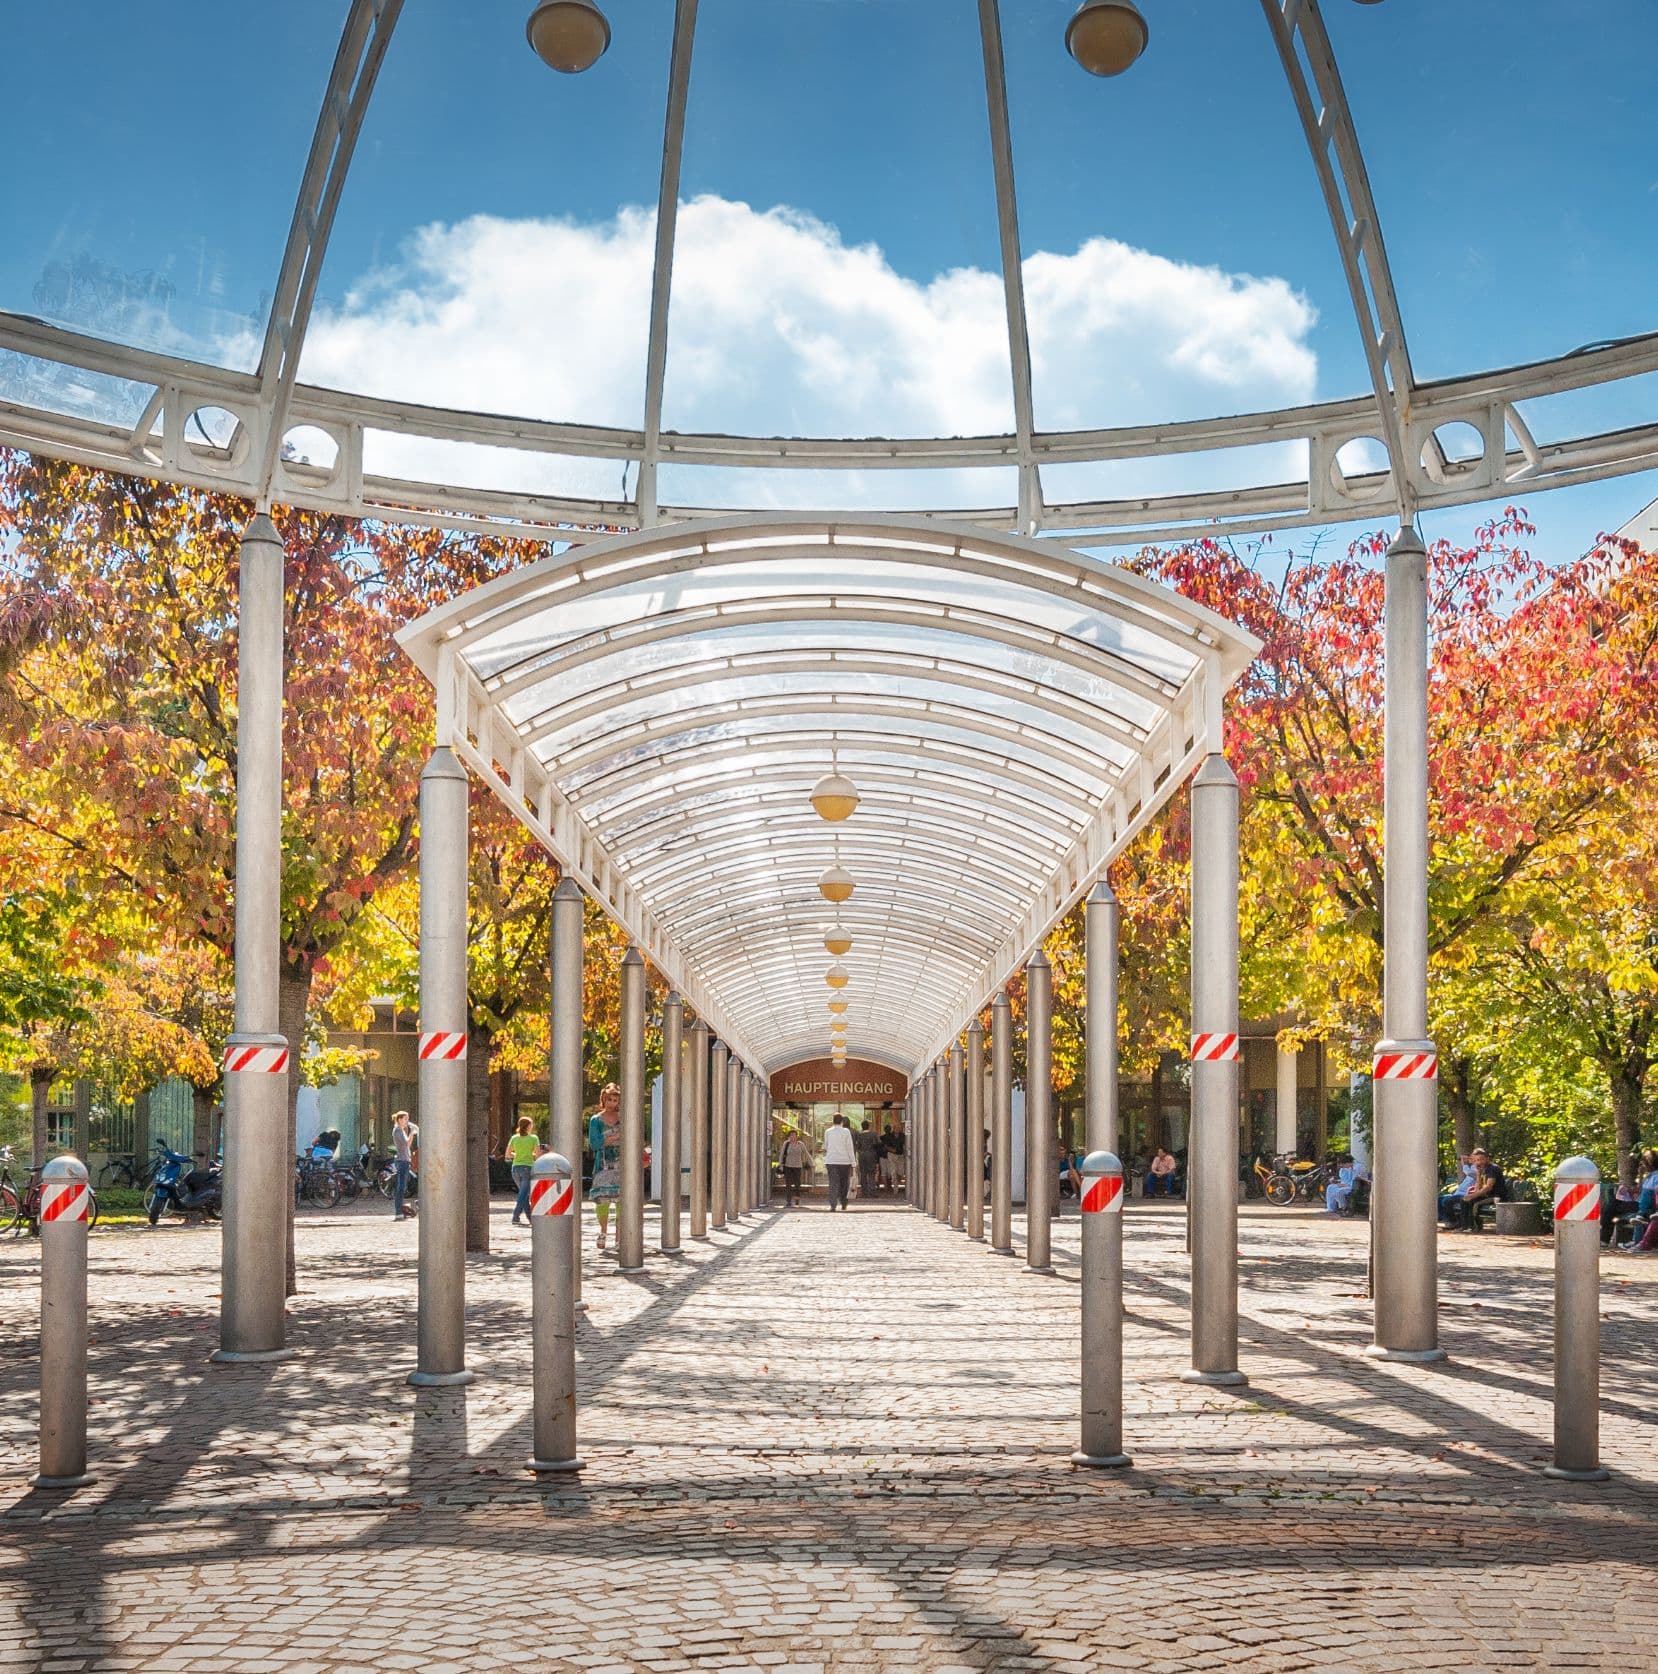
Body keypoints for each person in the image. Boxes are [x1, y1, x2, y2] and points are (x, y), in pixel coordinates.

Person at [587, 1082, 623, 1250]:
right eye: (609, 1099)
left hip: (622, 1163)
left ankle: (619, 1235)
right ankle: (603, 1231)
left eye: (615, 1099)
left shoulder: (624, 1118)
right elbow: (594, 1143)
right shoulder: (596, 1120)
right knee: (602, 1200)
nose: (612, 1103)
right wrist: (613, 1138)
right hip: (603, 1164)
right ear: (603, 1099)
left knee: (622, 1200)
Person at [1442, 1147, 1503, 1231]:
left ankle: (1470, 1226)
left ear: (1487, 1158)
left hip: (1495, 1196)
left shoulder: (1492, 1168)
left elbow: (1489, 1187)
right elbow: (1479, 1187)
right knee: (1464, 1199)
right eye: (1477, 1160)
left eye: (1481, 1159)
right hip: (1487, 1195)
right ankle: (1466, 1226)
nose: (1479, 1162)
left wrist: (1472, 1195)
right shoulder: (1483, 1169)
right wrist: (1478, 1173)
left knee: (1467, 1200)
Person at [504, 1115, 540, 1226]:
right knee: (523, 1194)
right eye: (531, 1124)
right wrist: (530, 1154)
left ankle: (530, 1218)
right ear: (528, 1126)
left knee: (523, 1194)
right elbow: (537, 1156)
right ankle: (516, 1216)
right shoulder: (534, 1138)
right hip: (527, 1168)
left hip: (515, 1169)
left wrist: (517, 1154)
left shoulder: (514, 1138)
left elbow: (508, 1155)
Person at [823, 1114, 855, 1211]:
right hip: (844, 1161)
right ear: (842, 1121)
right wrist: (853, 1162)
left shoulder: (828, 1132)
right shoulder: (846, 1132)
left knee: (833, 1183)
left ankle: (833, 1205)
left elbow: (826, 1146)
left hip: (831, 1161)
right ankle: (844, 1203)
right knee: (844, 1183)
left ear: (833, 1121)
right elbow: (850, 1147)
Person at [390, 1109, 417, 1220]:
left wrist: (411, 1134)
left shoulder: (401, 1130)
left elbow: (408, 1145)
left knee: (403, 1186)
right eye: (405, 1118)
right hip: (402, 1161)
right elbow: (406, 1144)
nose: (407, 1121)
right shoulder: (397, 1131)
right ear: (400, 1119)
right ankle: (398, 1211)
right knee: (401, 1187)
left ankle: (401, 1210)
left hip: (405, 1160)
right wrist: (412, 1132)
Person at [779, 1128, 809, 1207]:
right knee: (788, 1184)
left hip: (798, 1166)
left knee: (797, 1184)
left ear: (797, 1136)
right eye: (791, 1135)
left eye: (794, 1135)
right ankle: (788, 1201)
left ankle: (797, 1199)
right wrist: (781, 1165)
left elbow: (806, 1153)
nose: (793, 1137)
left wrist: (811, 1162)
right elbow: (782, 1155)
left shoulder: (800, 1144)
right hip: (788, 1166)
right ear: (789, 1136)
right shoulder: (786, 1144)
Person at [854, 1121, 881, 1199]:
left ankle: (864, 1192)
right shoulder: (874, 1134)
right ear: (868, 1126)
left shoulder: (859, 1135)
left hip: (862, 1156)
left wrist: (861, 1152)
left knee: (863, 1174)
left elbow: (857, 1146)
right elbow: (878, 1143)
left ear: (862, 1126)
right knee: (871, 1173)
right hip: (871, 1155)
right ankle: (872, 1192)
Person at [881, 1123, 905, 1192]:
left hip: (900, 1156)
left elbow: (905, 1144)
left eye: (899, 1128)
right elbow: (885, 1146)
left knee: (901, 1172)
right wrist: (891, 1150)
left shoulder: (903, 1135)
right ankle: (895, 1188)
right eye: (896, 1128)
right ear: (893, 1129)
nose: (898, 1129)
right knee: (893, 1172)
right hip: (892, 1155)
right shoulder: (889, 1136)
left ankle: (897, 1181)